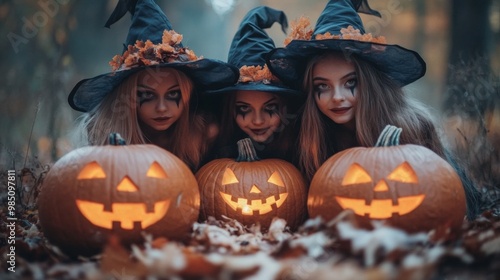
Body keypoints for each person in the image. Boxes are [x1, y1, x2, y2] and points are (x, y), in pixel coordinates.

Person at [266, 0, 481, 219]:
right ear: (312, 93)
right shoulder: (309, 139)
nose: (338, 97)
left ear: (369, 83)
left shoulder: (412, 126)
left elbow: (452, 198)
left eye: (351, 83)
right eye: (323, 86)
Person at [68, 0, 238, 171]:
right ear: (129, 97)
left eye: (173, 95)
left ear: (186, 93)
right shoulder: (102, 132)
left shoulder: (203, 134)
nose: (162, 108)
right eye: (148, 95)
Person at [205, 6, 304, 162]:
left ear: (285, 106)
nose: (258, 121)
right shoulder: (213, 146)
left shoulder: (302, 145)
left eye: (270, 107)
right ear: (230, 108)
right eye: (244, 108)